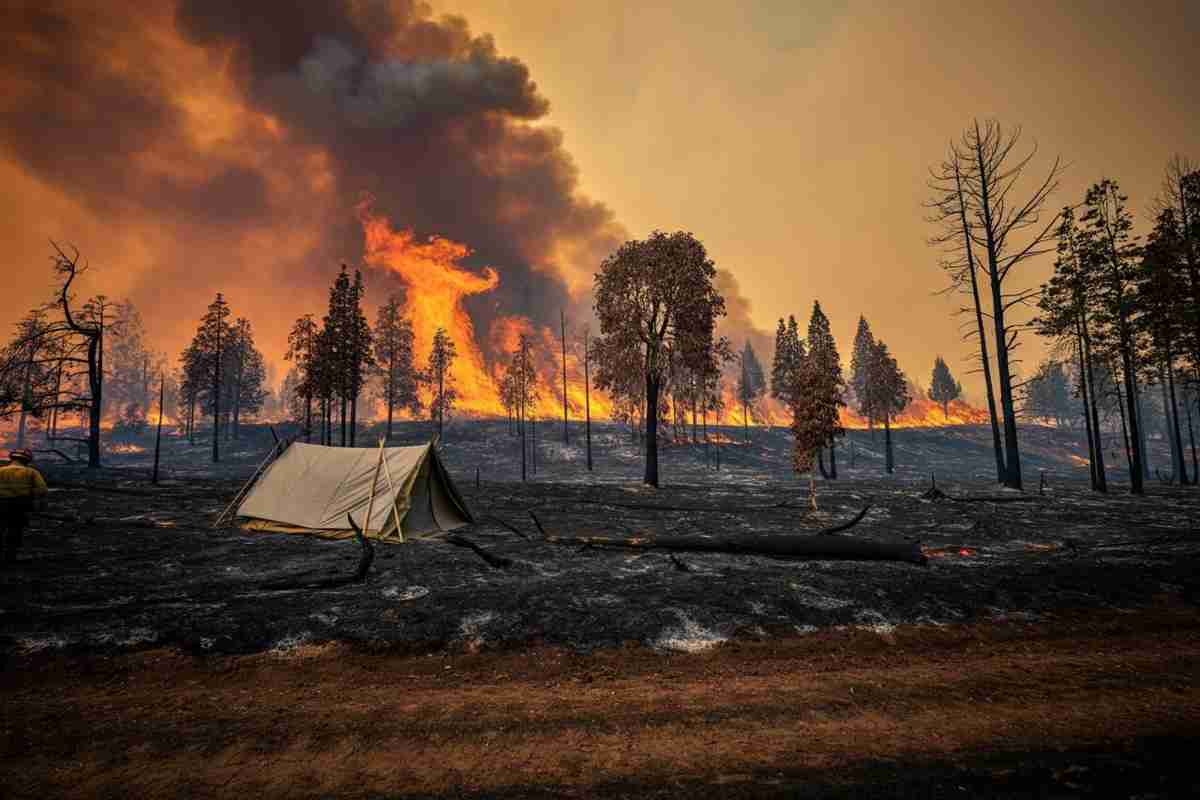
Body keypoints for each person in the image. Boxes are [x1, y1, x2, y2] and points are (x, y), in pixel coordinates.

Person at [0, 449, 49, 564]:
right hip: (20, 505)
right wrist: (39, 503)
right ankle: (10, 556)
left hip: (1, 504)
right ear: (27, 460)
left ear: (12, 458)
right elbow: (42, 490)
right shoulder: (31, 472)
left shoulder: (1, 471)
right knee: (15, 529)